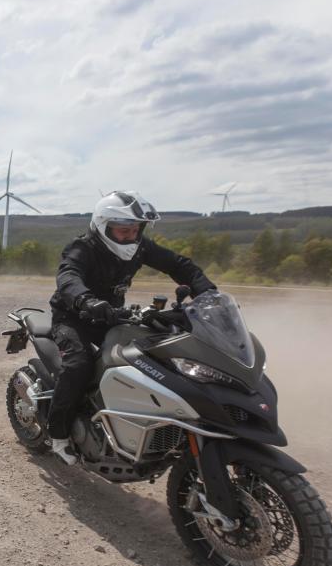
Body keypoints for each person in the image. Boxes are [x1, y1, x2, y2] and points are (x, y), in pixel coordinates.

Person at [47, 191, 216, 464]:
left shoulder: (141, 247)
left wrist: (208, 293)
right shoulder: (82, 248)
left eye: (135, 230)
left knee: (151, 360)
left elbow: (178, 264)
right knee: (78, 365)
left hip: (113, 317)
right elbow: (68, 277)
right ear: (103, 226)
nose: (130, 236)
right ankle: (59, 435)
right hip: (74, 318)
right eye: (123, 231)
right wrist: (85, 299)